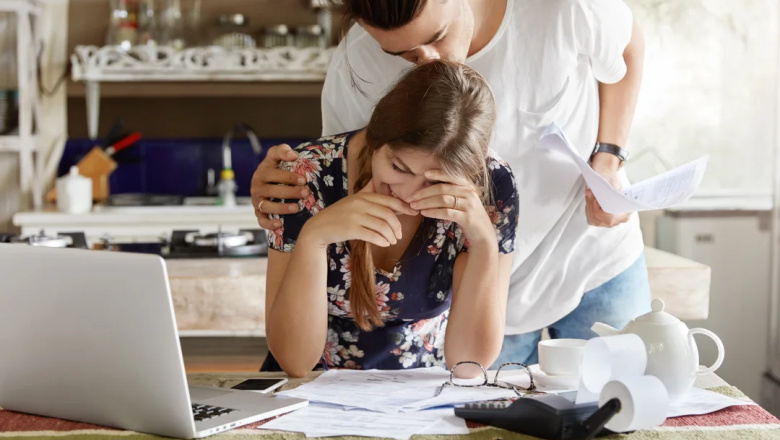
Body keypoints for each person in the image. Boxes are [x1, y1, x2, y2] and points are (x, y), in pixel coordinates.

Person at [252, 0, 650, 366]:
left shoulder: (563, 9)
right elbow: (332, 165)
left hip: (587, 250)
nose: (426, 63)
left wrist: (609, 156)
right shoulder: (357, 62)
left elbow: (628, 49)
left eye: (437, 36)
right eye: (403, 55)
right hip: (478, 290)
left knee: (624, 390)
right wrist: (281, 188)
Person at [263, 60, 518, 377]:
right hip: (311, 387)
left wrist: (483, 243)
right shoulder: (305, 175)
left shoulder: (492, 187)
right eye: (399, 168)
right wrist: (313, 238)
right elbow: (294, 362)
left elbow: (469, 366)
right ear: (375, 137)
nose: (408, 194)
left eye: (435, 182)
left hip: (423, 392)